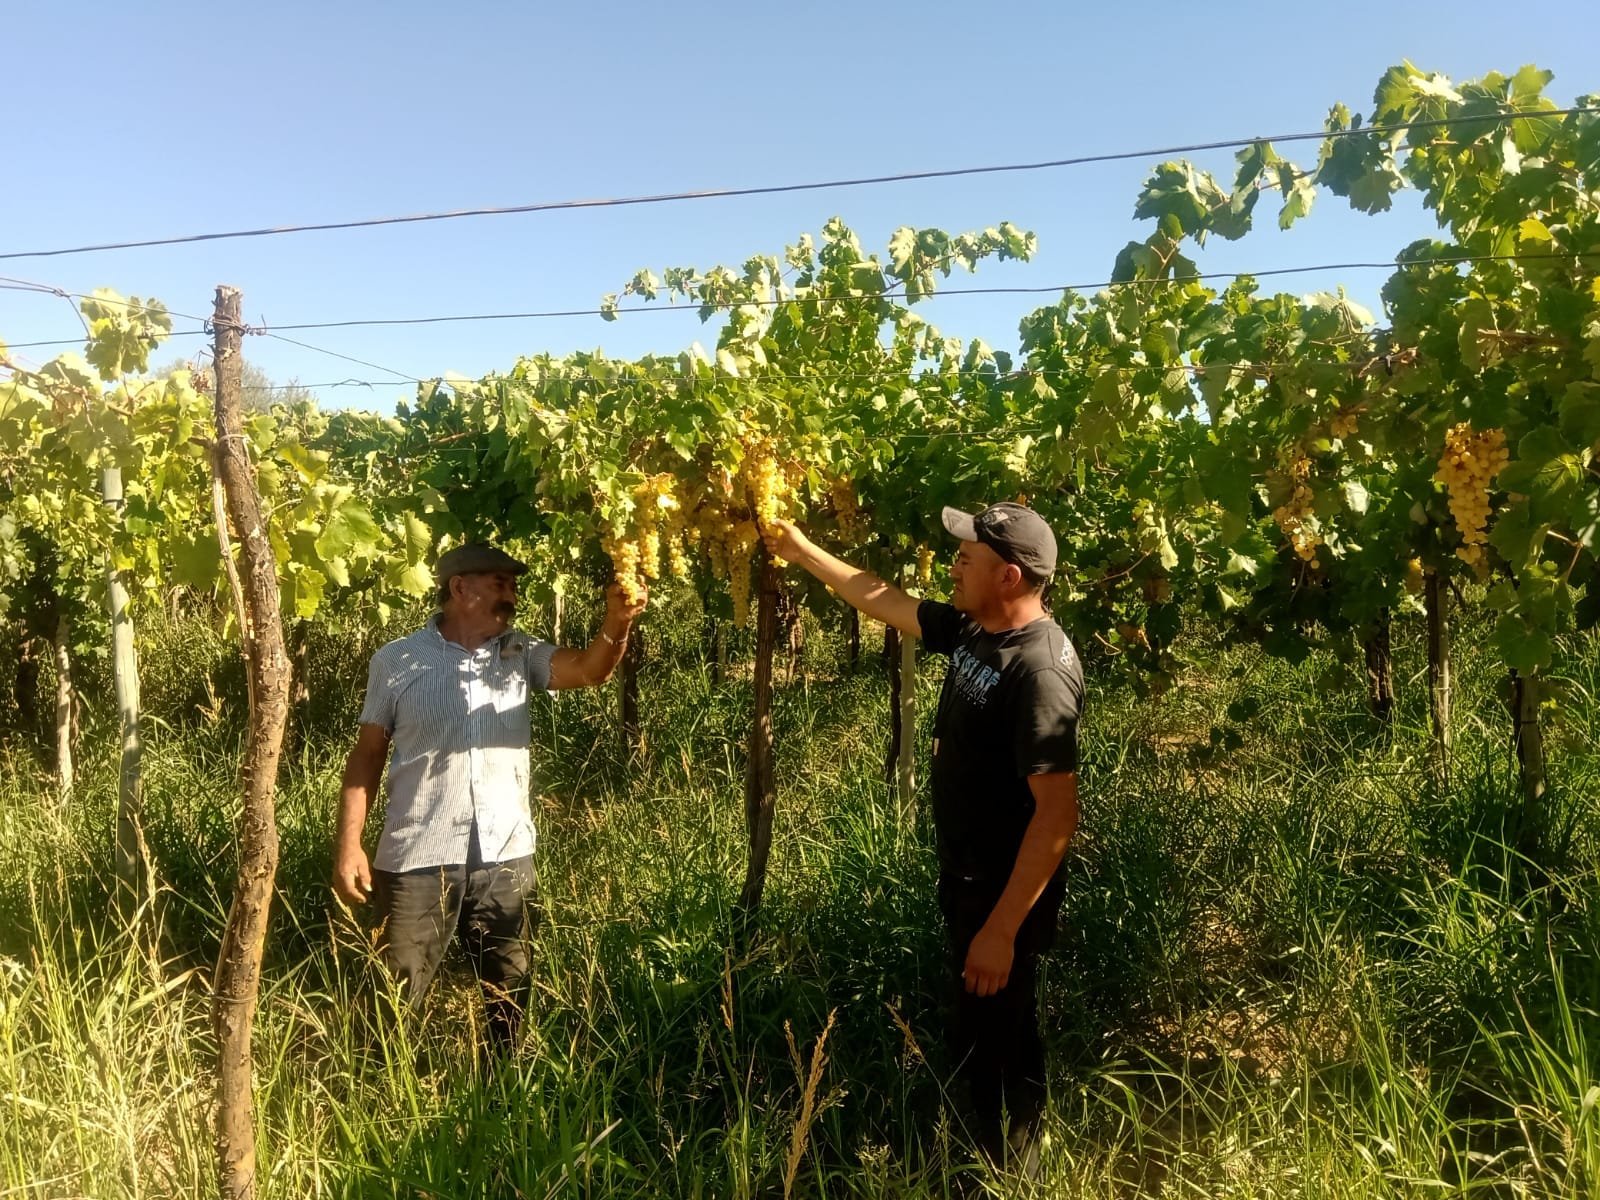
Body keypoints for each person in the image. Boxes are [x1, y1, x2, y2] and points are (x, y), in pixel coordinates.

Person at [763, 503, 1082, 1173]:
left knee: (998, 1045)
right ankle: (990, 1162)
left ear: (1009, 576)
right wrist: (801, 550)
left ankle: (1003, 1174)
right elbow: (884, 599)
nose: (954, 566)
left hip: (1003, 895)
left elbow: (1055, 818)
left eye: (967, 557)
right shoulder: (977, 628)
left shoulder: (1039, 672)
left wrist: (1000, 931)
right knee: (986, 1032)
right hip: (970, 880)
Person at [332, 541, 645, 1056]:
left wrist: (618, 621)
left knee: (510, 989)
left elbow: (591, 670)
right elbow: (367, 754)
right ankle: (385, 1086)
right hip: (418, 853)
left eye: (513, 586)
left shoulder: (520, 654)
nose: (512, 596)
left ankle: (503, 1089)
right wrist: (349, 845)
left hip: (505, 852)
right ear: (460, 588)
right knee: (396, 992)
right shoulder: (397, 661)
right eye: (501, 584)